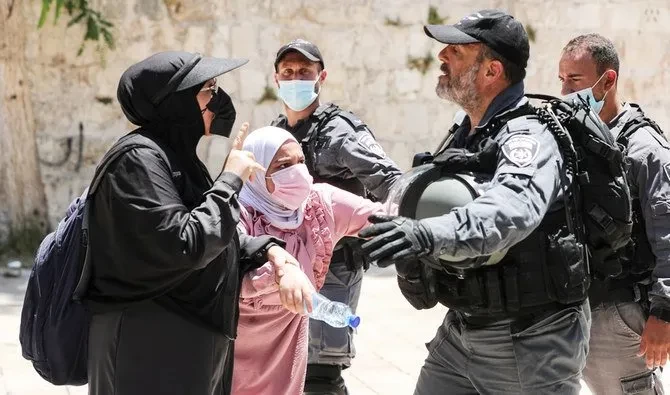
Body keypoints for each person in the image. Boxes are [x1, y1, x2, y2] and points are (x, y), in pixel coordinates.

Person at [360, 10, 591, 394]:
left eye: (457, 51)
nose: (442, 57)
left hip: (530, 341)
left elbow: (512, 209)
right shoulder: (466, 133)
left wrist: (426, 234)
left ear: (491, 71)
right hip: (463, 332)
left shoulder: (528, 135)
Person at [84, 51, 302, 395]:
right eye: (208, 89)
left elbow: (212, 232)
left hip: (188, 338)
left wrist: (271, 251)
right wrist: (230, 179)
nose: (218, 100)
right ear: (176, 102)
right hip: (149, 346)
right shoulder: (137, 160)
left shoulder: (176, 158)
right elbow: (183, 244)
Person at [270, 39, 402, 394]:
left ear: (320, 76)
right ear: (276, 78)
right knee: (291, 368)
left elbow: (393, 182)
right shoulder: (278, 132)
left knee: (321, 373)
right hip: (289, 267)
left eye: (304, 72)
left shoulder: (339, 131)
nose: (296, 78)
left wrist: (382, 232)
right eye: (288, 72)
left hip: (334, 268)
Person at [231, 126, 384, 395]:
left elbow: (381, 218)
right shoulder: (237, 212)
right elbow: (233, 269)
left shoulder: (319, 205)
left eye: (301, 161)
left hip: (285, 355)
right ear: (256, 173)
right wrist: (281, 273)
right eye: (283, 165)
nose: (298, 171)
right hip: (232, 348)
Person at [559, 33, 670, 395]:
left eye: (574, 80)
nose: (565, 92)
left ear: (608, 81)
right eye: (561, 79)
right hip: (578, 309)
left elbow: (667, 234)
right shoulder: (575, 140)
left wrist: (664, 314)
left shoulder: (645, 150)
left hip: (620, 314)